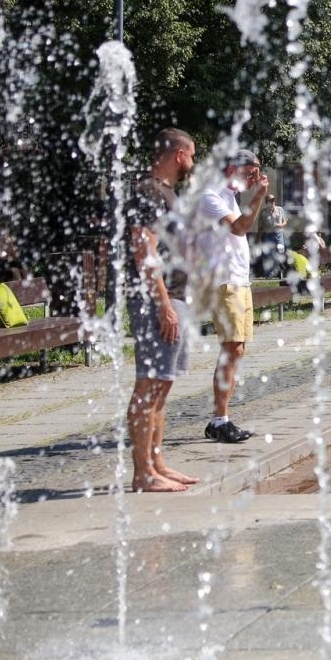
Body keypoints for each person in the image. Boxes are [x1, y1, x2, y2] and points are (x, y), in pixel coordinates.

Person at [126, 128, 201, 493]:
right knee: (149, 383)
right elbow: (144, 250)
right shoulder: (149, 191)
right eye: (192, 154)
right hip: (158, 299)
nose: (194, 161)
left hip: (174, 297)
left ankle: (157, 464)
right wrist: (163, 306)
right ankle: (142, 474)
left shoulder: (167, 193)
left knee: (163, 384)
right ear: (178, 155)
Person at [196, 148, 267, 443]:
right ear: (231, 170)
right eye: (250, 173)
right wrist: (260, 196)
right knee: (232, 349)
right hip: (224, 283)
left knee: (236, 349)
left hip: (238, 281)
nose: (254, 179)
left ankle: (221, 418)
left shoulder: (229, 198)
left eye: (257, 174)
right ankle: (219, 420)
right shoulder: (211, 196)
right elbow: (239, 229)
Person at [257, 194, 289, 278]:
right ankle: (269, 275)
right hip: (268, 235)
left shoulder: (280, 209)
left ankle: (281, 270)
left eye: (274, 200)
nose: (273, 202)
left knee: (280, 252)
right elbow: (260, 227)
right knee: (268, 255)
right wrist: (259, 239)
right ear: (267, 202)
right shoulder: (263, 212)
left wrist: (281, 225)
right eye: (271, 201)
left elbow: (285, 221)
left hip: (279, 235)